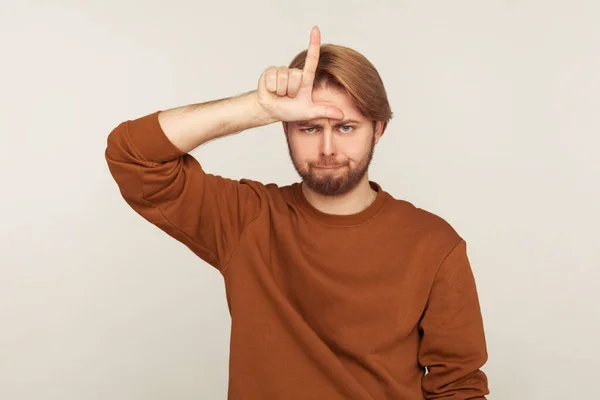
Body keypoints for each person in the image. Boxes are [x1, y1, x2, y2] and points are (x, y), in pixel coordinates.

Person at [105, 26, 489, 400]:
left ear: (378, 130)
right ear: (284, 129)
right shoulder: (247, 219)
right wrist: (255, 107)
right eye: (308, 128)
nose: (326, 149)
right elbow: (133, 155)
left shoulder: (434, 244)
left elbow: (457, 387)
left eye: (345, 127)